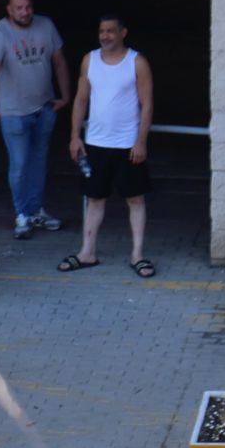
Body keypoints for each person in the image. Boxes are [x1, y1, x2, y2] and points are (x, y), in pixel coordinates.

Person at [59, 14, 155, 278]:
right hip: (96, 142)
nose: (105, 36)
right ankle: (87, 251)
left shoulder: (137, 62)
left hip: (127, 144)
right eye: (101, 31)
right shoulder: (89, 60)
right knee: (95, 198)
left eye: (111, 31)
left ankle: (137, 254)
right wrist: (75, 136)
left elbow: (147, 103)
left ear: (123, 33)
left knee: (135, 199)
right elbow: (80, 100)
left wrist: (141, 141)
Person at [0, 0, 71, 240]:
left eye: (28, 7)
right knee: (19, 165)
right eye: (18, 8)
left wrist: (65, 96)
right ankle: (22, 213)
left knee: (39, 162)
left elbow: (59, 61)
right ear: (9, 9)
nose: (24, 12)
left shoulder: (46, 25)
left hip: (44, 108)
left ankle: (35, 209)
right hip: (13, 113)